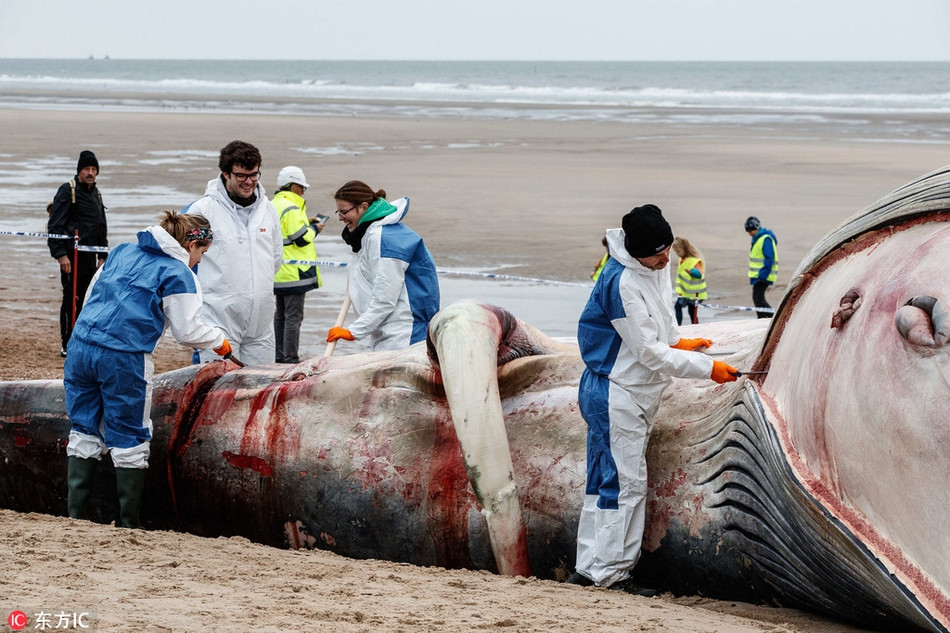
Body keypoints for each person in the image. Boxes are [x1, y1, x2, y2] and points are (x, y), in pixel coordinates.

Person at [567, 204, 738, 592]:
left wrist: (680, 340)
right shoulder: (621, 283)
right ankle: (611, 575)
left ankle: (590, 567)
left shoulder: (653, 265)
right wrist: (705, 368)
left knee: (603, 480)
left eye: (667, 247)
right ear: (637, 251)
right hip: (616, 391)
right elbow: (648, 353)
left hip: (630, 390)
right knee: (622, 484)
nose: (667, 257)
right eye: (658, 251)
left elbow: (661, 313)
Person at [64, 211, 232, 528]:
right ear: (193, 245)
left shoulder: (122, 252)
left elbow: (90, 297)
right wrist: (220, 342)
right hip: (124, 357)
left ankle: (75, 517)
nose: (199, 262)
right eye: (202, 254)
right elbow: (187, 332)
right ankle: (128, 522)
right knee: (130, 436)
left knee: (84, 427)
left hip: (81, 346)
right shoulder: (179, 273)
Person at [183, 140, 282, 366]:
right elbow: (182, 260)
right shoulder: (203, 210)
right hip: (218, 321)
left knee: (260, 390)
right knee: (216, 392)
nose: (249, 182)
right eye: (241, 176)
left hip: (261, 326)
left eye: (254, 174)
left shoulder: (269, 210)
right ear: (225, 173)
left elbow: (275, 259)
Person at [326, 180, 440, 351]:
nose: (340, 218)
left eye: (344, 212)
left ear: (363, 207)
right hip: (385, 330)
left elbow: (385, 299)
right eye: (338, 212)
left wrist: (354, 332)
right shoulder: (368, 234)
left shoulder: (383, 239)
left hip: (403, 334)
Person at [47, 150, 108, 357]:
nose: (90, 173)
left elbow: (101, 225)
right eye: (86, 169)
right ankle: (67, 342)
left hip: (91, 256)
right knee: (71, 298)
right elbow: (55, 224)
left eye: (93, 169)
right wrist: (60, 255)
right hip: (71, 256)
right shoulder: (68, 191)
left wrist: (103, 255)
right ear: (79, 171)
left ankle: (83, 339)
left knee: (89, 298)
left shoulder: (96, 194)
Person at [272, 166, 323, 363]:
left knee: (281, 316)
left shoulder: (274, 204)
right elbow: (300, 238)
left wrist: (306, 223)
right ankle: (290, 358)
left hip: (278, 272)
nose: (303, 192)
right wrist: (314, 229)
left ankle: (279, 356)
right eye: (302, 188)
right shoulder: (292, 207)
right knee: (293, 317)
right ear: (294, 187)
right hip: (294, 272)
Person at [744, 216, 779, 318]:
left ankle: (772, 318)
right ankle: (762, 318)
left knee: (758, 298)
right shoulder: (758, 239)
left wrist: (762, 275)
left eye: (750, 230)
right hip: (760, 275)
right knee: (757, 298)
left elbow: (769, 258)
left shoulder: (765, 239)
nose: (749, 233)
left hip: (763, 275)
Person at [671, 236, 707, 325]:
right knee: (678, 307)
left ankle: (695, 327)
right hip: (685, 293)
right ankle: (678, 325)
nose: (677, 254)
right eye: (676, 252)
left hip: (695, 294)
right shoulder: (682, 259)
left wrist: (692, 271)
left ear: (685, 249)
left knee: (692, 312)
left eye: (678, 252)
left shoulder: (694, 261)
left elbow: (699, 274)